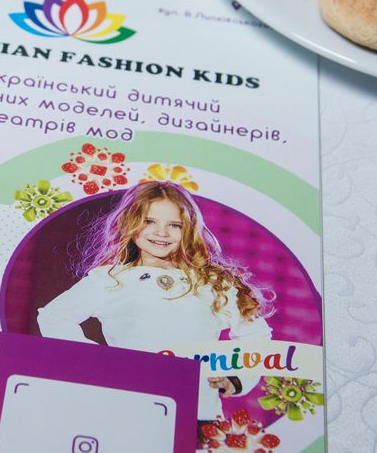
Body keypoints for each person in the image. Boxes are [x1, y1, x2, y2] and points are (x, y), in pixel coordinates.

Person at [36, 181, 273, 429]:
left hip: (197, 415)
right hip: (129, 412)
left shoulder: (212, 282)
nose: (162, 233)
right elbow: (54, 317)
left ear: (189, 229)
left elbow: (256, 334)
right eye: (149, 221)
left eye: (174, 225)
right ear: (130, 223)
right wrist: (102, 364)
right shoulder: (110, 279)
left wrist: (236, 377)